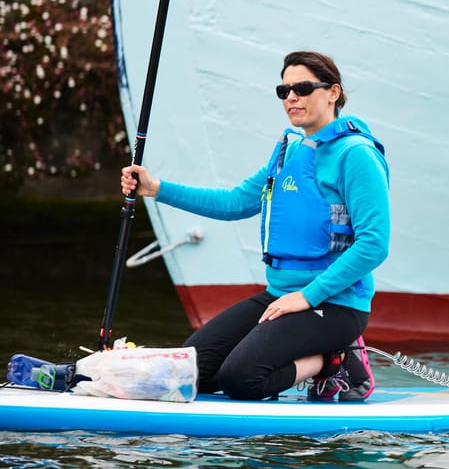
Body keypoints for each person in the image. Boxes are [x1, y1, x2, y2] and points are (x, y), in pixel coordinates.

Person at [120, 51, 390, 402]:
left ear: (333, 93)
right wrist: (156, 189)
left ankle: (333, 361)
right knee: (190, 372)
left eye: (303, 88)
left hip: (336, 305)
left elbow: (374, 244)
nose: (291, 97)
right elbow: (235, 202)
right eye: (284, 90)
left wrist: (307, 296)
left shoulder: (356, 155)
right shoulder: (290, 153)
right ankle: (320, 357)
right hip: (279, 297)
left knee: (241, 378)